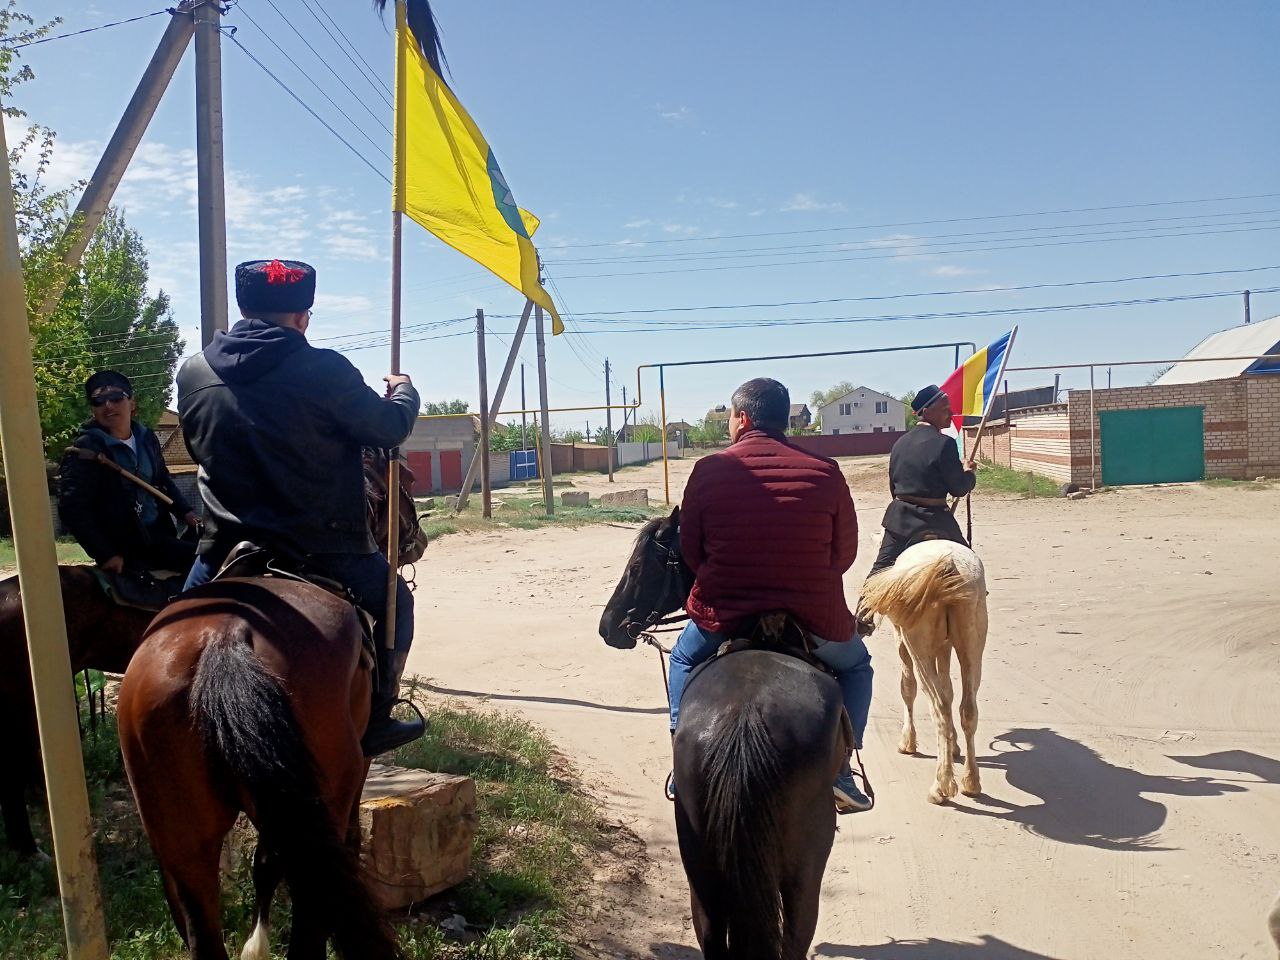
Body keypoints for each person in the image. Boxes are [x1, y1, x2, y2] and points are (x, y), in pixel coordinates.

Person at [176, 259, 423, 757]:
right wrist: (403, 391)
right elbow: (388, 429)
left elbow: (198, 445)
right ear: (302, 317)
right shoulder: (324, 369)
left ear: (243, 308)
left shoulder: (193, 372)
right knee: (398, 602)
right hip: (325, 544)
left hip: (223, 542)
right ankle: (379, 715)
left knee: (169, 626)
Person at [668, 377, 874, 813]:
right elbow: (845, 554)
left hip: (727, 610)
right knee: (857, 667)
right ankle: (841, 770)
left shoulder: (708, 470)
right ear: (784, 421)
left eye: (729, 417)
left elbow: (691, 550)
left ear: (742, 419)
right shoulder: (827, 472)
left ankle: (680, 752)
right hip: (812, 614)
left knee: (683, 658)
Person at [855, 384, 975, 633]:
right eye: (944, 410)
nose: (949, 414)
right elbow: (959, 489)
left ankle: (863, 616)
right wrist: (969, 473)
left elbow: (893, 484)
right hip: (936, 519)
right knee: (969, 564)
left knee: (881, 568)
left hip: (902, 518)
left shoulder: (899, 443)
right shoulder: (945, 443)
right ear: (926, 411)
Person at [59, 370, 201, 576]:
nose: (108, 405)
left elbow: (162, 480)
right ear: (93, 410)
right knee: (206, 564)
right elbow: (73, 509)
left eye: (116, 397)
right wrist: (106, 554)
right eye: (99, 400)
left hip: (158, 536)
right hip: (123, 546)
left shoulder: (147, 438)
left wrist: (187, 513)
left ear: (132, 404)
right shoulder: (85, 451)